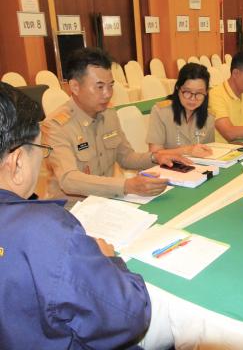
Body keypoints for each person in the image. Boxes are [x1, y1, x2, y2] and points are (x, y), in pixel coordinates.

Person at [0, 81, 165, 349]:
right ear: (17, 161)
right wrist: (111, 261)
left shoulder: (109, 116)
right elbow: (128, 315)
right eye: (40, 151)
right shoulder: (45, 230)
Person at [42, 47, 187, 199]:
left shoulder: (109, 114)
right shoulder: (55, 126)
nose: (108, 94)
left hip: (107, 201)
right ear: (75, 87)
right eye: (100, 87)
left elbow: (126, 157)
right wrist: (126, 186)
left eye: (110, 86)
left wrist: (156, 157)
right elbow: (68, 179)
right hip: (72, 207)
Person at [147, 63, 214, 157]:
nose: (192, 98)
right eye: (187, 92)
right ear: (178, 88)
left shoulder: (209, 116)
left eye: (199, 93)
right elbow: (154, 154)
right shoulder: (161, 112)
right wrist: (186, 150)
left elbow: (208, 151)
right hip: (168, 165)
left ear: (206, 93)